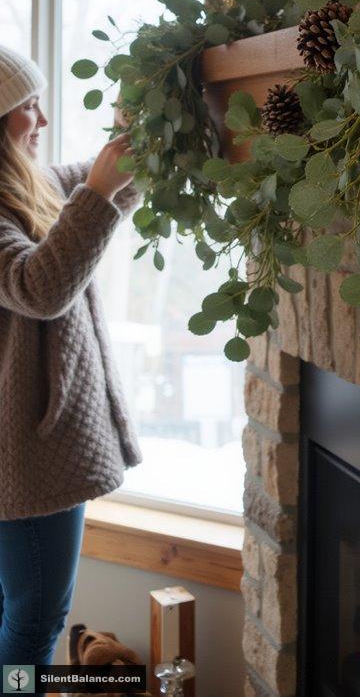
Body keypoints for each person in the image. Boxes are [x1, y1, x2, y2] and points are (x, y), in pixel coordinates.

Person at [0, 44, 144, 680]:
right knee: (34, 622)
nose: (43, 119)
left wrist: (135, 138)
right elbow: (41, 286)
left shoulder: (30, 186)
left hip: (28, 452)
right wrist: (100, 189)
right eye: (28, 107)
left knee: (20, 617)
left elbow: (100, 190)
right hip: (27, 459)